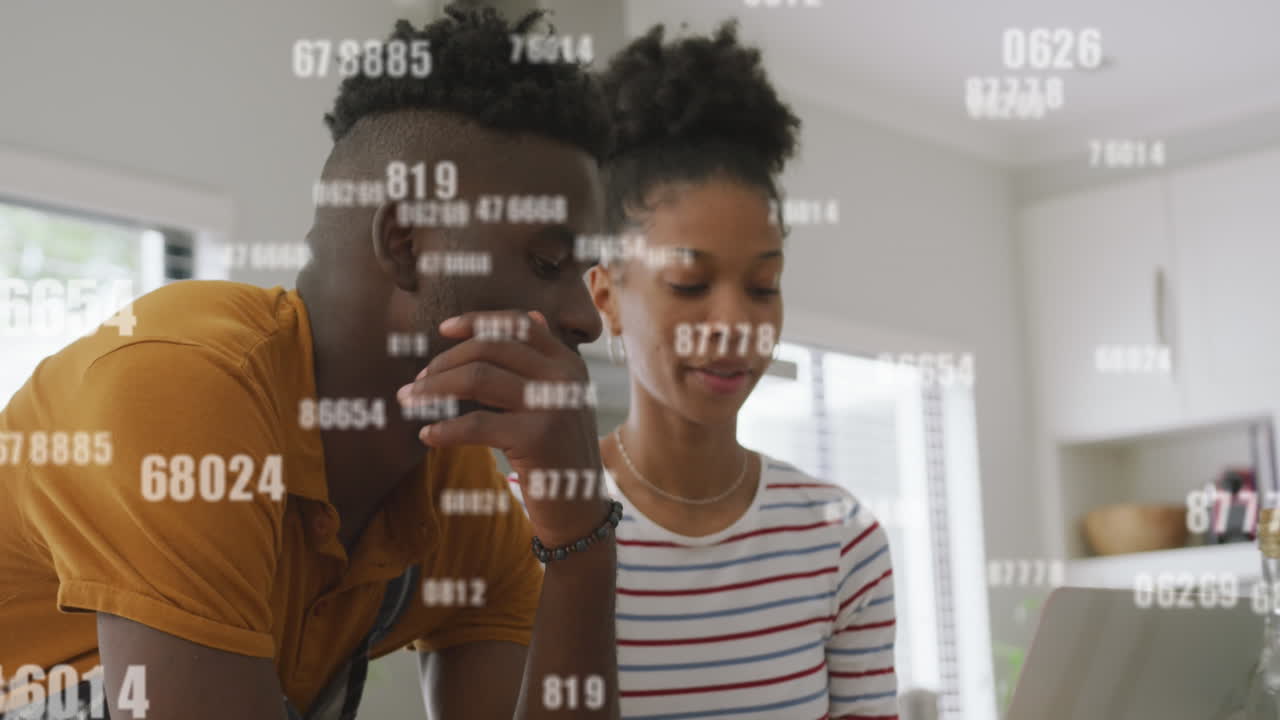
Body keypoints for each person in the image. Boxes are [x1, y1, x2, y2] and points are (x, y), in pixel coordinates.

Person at [0, 6, 622, 719]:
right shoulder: (176, 385)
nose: (586, 317)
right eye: (548, 262)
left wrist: (579, 540)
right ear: (409, 242)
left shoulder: (459, 494)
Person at [587, 22, 899, 719]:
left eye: (763, 287)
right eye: (691, 286)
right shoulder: (533, 528)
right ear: (607, 296)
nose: (735, 323)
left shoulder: (840, 539)